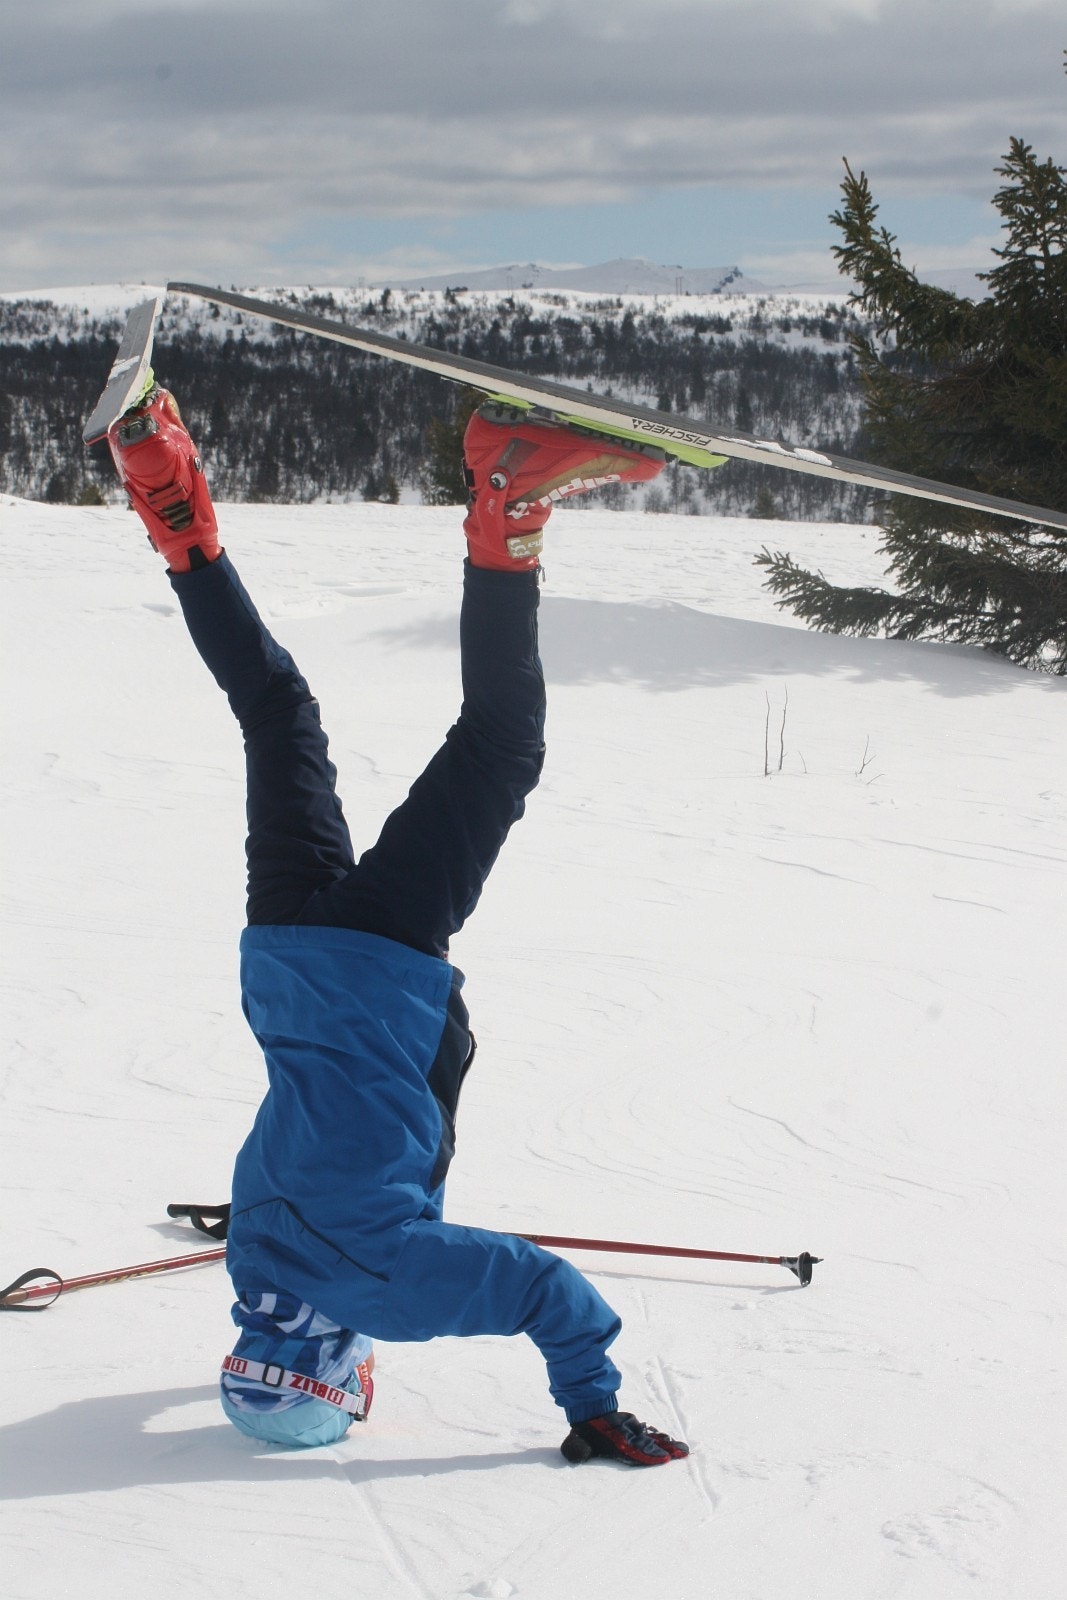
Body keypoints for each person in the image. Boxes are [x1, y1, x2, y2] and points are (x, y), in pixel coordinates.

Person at [108, 377, 689, 1468]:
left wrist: (591, 1402)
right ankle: (168, 505)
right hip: (281, 955)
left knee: (501, 745)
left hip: (376, 969)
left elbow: (542, 1287)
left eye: (349, 1389)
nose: (364, 1377)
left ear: (333, 1364)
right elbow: (302, 1202)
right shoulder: (262, 1264)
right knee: (275, 711)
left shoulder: (383, 1284)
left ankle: (506, 498)